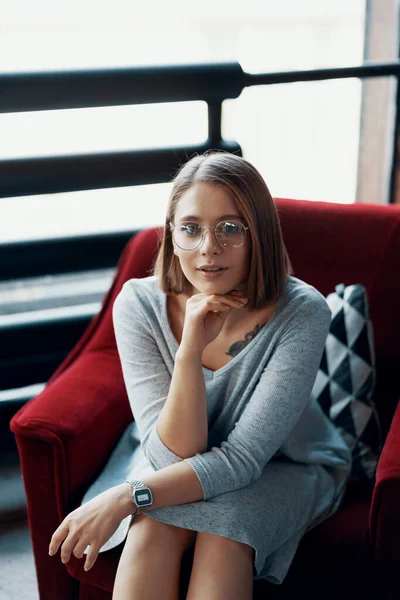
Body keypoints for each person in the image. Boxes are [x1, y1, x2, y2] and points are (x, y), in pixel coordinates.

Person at [48, 151, 352, 600]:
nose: (208, 247)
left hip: (282, 463)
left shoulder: (302, 313)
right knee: (152, 528)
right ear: (172, 236)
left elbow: (243, 460)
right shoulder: (138, 304)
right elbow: (172, 458)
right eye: (191, 228)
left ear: (259, 236)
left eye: (230, 228)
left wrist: (125, 496)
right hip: (164, 456)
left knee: (224, 533)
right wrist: (190, 350)